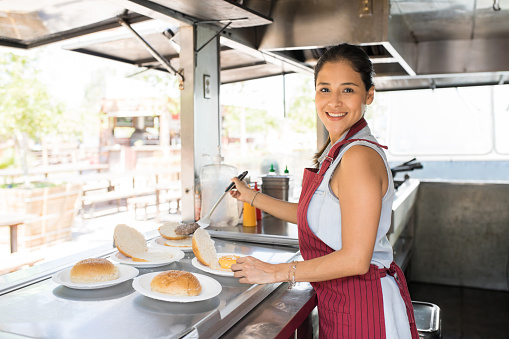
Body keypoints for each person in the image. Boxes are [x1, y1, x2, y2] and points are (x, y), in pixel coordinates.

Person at [229, 43, 419, 339]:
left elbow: (355, 259)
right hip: (343, 305)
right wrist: (250, 196)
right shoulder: (338, 149)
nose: (334, 102)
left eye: (348, 90)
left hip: (364, 309)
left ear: (368, 95)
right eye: (325, 89)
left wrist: (277, 272)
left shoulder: (357, 156)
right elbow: (312, 214)